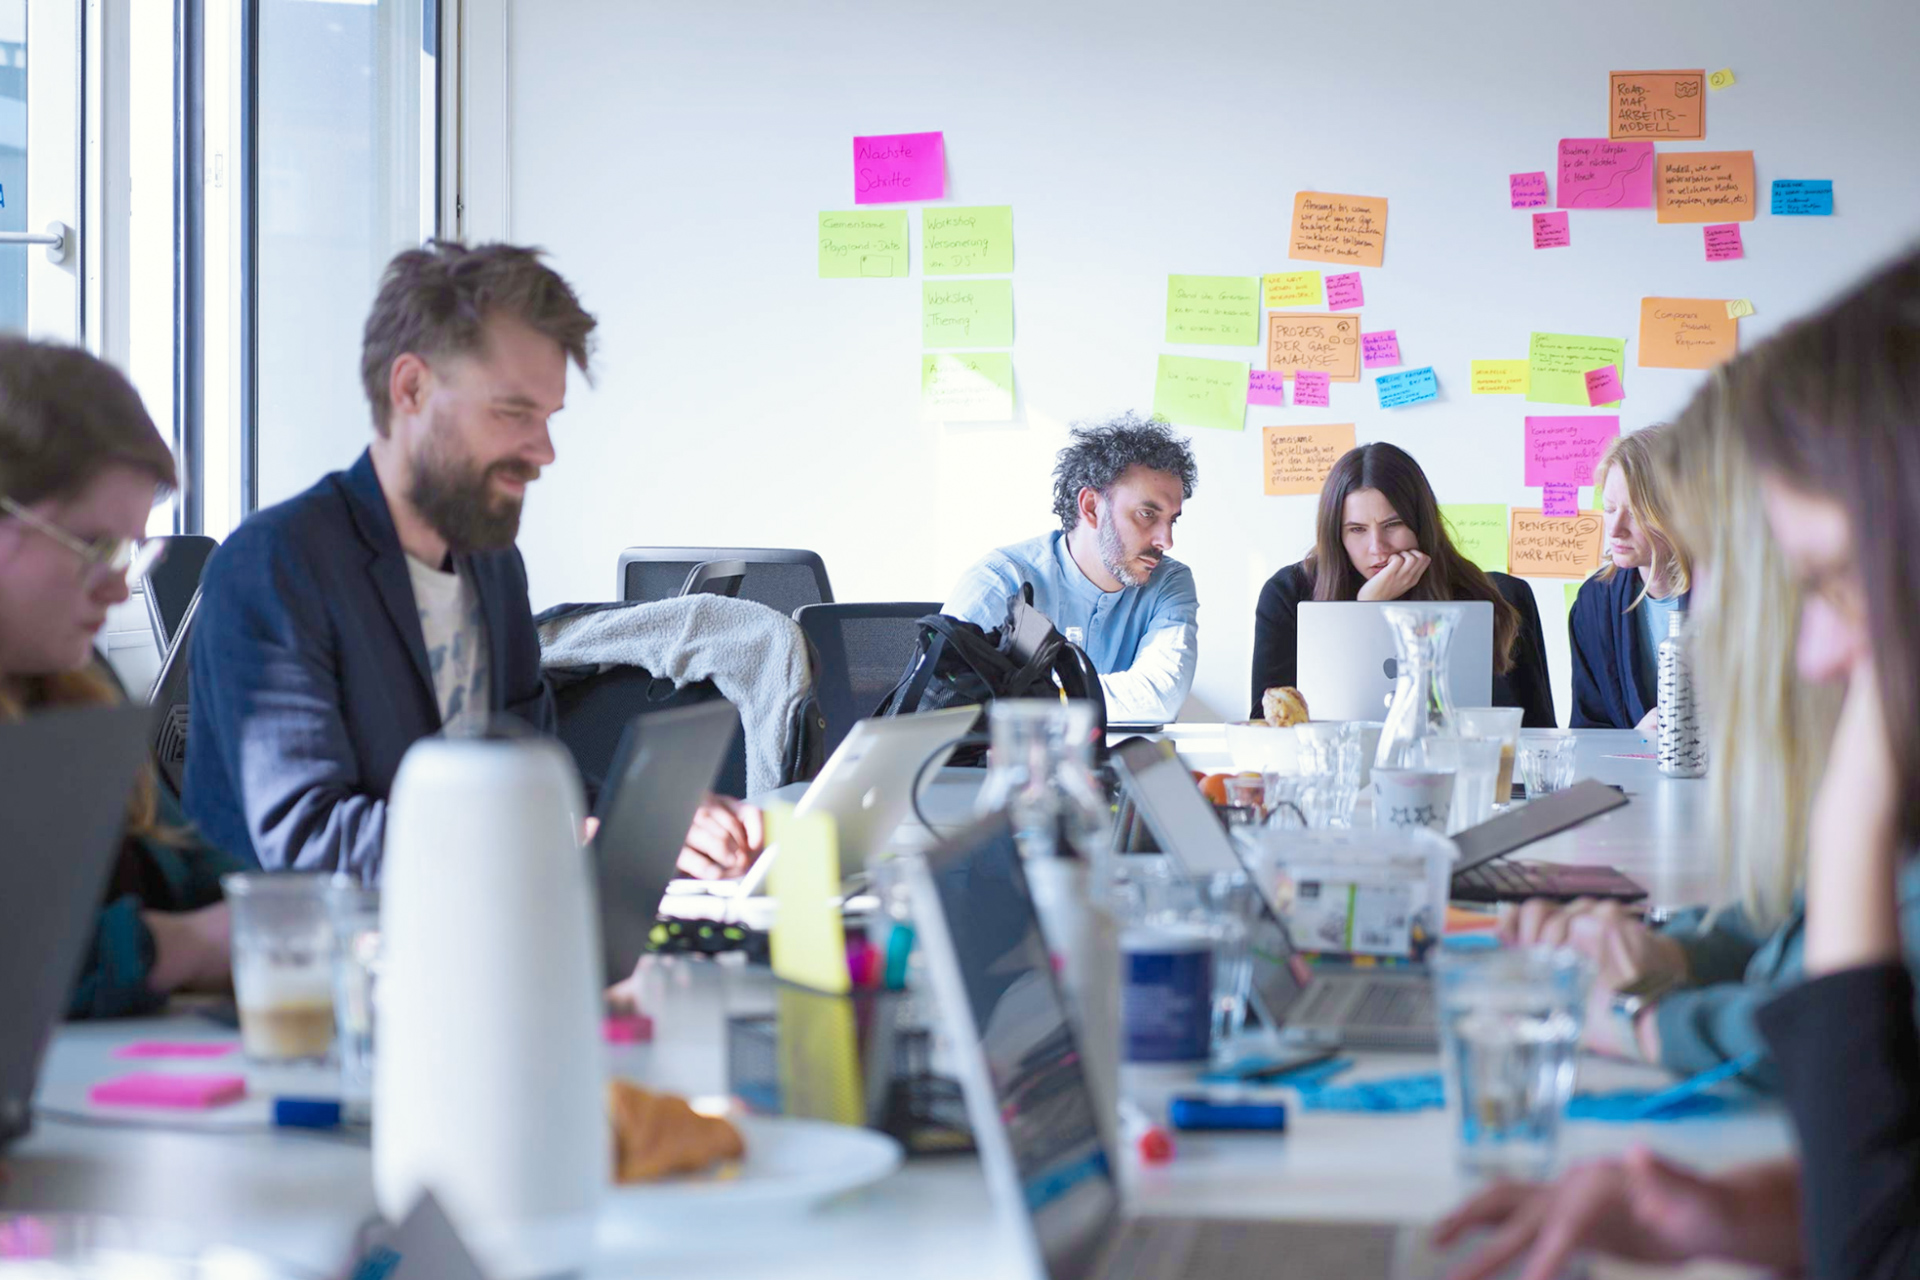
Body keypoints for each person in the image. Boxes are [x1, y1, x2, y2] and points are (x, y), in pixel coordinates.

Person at [1437, 248, 1920, 1280]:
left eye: (1827, 580)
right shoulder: (1602, 605)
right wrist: (1737, 1214)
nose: (1810, 651)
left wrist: (1647, 1017)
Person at [185, 242, 763, 884]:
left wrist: (648, 819)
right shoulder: (275, 566)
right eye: (514, 413)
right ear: (410, 388)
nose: (544, 451)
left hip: (485, 920)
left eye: (547, 417)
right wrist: (558, 837)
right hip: (323, 941)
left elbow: (532, 779)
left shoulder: (492, 563)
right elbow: (310, 838)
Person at [0, 338, 244, 1017]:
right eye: (95, 547)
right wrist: (180, 945)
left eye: (132, 553)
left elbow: (192, 863)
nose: (117, 589)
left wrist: (278, 914)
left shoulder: (75, 680)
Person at [1249, 442, 1554, 727]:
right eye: (1357, 529)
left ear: (1421, 523)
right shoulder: (1287, 595)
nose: (1377, 548)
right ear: (1336, 534)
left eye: (1393, 525)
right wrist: (1367, 610)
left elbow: (1530, 729)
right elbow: (1268, 724)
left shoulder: (1487, 597)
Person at [943, 412, 1199, 725]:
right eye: (1147, 514)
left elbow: (1159, 697)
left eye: (1172, 520)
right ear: (1091, 507)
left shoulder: (1169, 582)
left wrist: (1025, 697)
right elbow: (945, 704)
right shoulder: (1001, 579)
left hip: (1118, 756)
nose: (1167, 541)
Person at [1568, 426, 1692, 731]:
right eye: (1609, 509)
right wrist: (1635, 741)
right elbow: (1588, 731)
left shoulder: (1734, 598)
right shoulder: (1593, 604)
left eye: (1635, 513)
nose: (1614, 529)